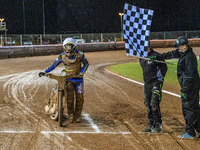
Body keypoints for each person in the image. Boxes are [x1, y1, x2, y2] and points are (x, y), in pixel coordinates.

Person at [39, 37, 89, 123]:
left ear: (74, 47)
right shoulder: (61, 56)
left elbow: (86, 64)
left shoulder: (80, 55)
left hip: (79, 80)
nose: (69, 50)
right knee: (69, 99)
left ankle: (77, 116)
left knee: (80, 98)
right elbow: (54, 65)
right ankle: (71, 116)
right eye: (67, 47)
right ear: (64, 47)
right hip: (68, 80)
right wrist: (45, 72)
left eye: (70, 47)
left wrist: (81, 72)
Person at [160, 36, 200, 139]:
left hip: (190, 87)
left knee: (188, 109)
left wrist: (185, 90)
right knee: (195, 108)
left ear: (184, 46)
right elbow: (172, 54)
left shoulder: (189, 57)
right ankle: (199, 130)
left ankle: (190, 132)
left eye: (179, 46)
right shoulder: (183, 53)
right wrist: (159, 57)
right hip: (192, 86)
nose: (178, 48)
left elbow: (189, 76)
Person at [140, 46, 168, 133]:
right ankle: (151, 124)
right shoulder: (142, 57)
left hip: (156, 82)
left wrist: (159, 79)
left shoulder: (157, 56)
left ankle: (158, 125)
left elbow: (164, 68)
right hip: (147, 83)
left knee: (154, 103)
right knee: (148, 104)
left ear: (149, 47)